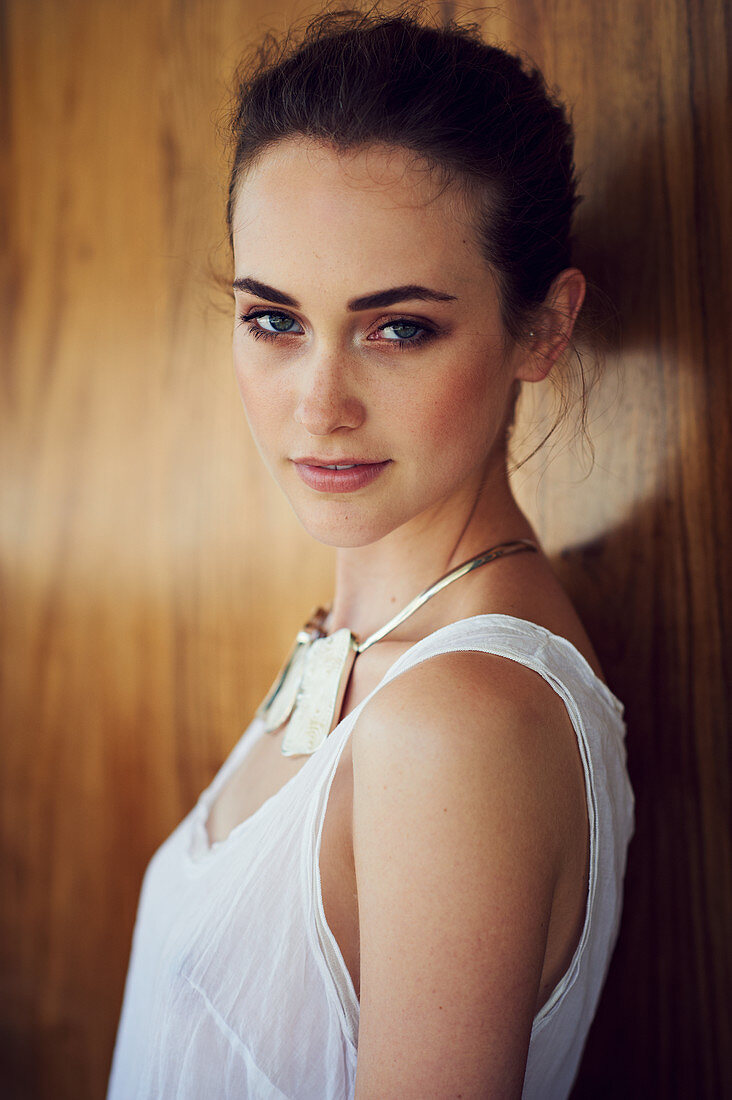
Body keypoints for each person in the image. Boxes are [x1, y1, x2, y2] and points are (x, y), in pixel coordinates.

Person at [107, 7, 635, 1098]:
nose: (320, 405)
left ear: (543, 327)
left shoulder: (458, 725)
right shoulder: (359, 643)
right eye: (274, 319)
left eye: (399, 328)